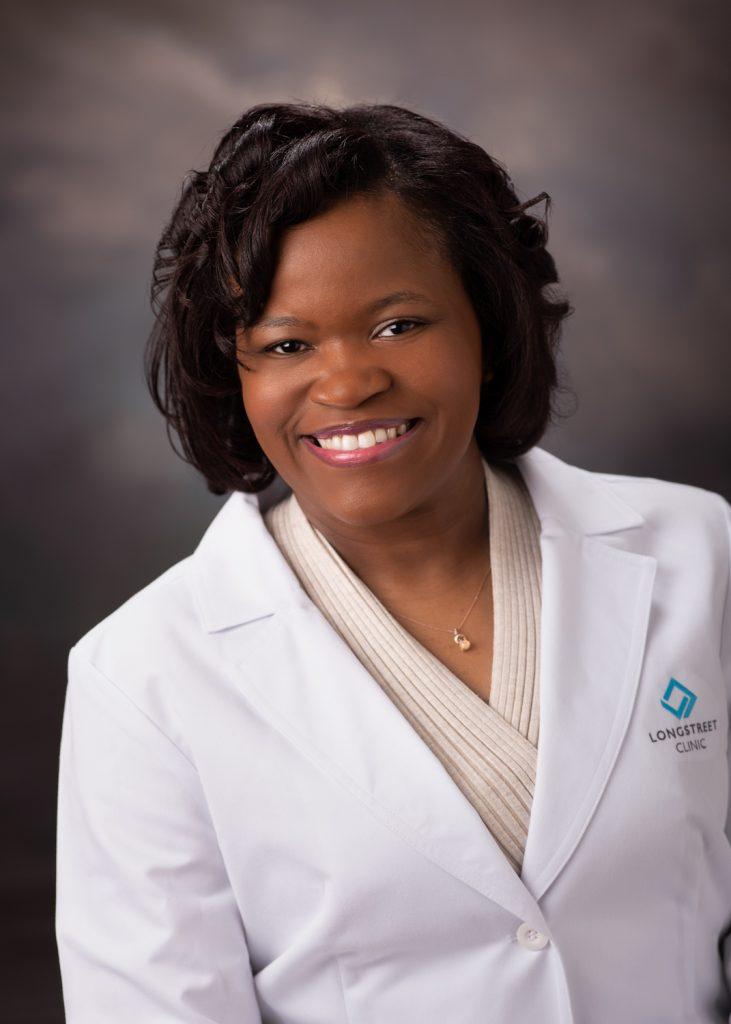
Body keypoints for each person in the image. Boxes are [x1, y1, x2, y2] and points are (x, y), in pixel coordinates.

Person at [55, 102, 731, 1023]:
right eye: (287, 344)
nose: (347, 383)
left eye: (398, 325)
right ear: (235, 376)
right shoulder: (139, 677)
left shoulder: (701, 551)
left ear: (487, 325)